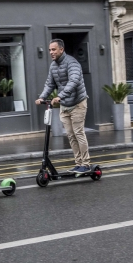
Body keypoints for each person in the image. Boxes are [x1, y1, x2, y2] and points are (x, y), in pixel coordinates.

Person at [36, 39, 90, 173]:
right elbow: (50, 84)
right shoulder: (53, 66)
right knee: (71, 136)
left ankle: (86, 163)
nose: (51, 52)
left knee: (78, 133)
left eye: (53, 49)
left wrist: (60, 96)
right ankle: (78, 163)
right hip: (65, 105)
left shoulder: (72, 63)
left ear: (61, 49)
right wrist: (42, 97)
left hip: (78, 103)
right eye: (49, 50)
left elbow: (73, 81)